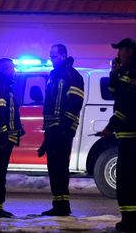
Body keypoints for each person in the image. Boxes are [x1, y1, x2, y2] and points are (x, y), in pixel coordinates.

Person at [98, 38, 136, 231]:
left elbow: (126, 104)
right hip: (130, 133)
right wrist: (113, 74)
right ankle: (133, 219)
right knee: (131, 177)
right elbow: (113, 92)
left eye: (120, 50)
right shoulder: (127, 71)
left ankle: (133, 220)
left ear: (129, 51)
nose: (118, 54)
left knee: (131, 178)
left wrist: (110, 127)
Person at [39, 44, 84, 216]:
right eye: (51, 56)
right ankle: (58, 204)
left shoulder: (72, 76)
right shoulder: (53, 75)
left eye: (55, 56)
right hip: (52, 128)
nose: (52, 59)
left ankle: (63, 206)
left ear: (64, 56)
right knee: (54, 167)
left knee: (60, 167)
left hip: (62, 128)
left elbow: (75, 102)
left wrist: (64, 127)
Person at [0, 58, 24, 218]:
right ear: (6, 69)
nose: (14, 71)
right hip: (1, 139)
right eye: (12, 68)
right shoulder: (0, 86)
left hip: (3, 138)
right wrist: (2, 137)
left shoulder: (3, 85)